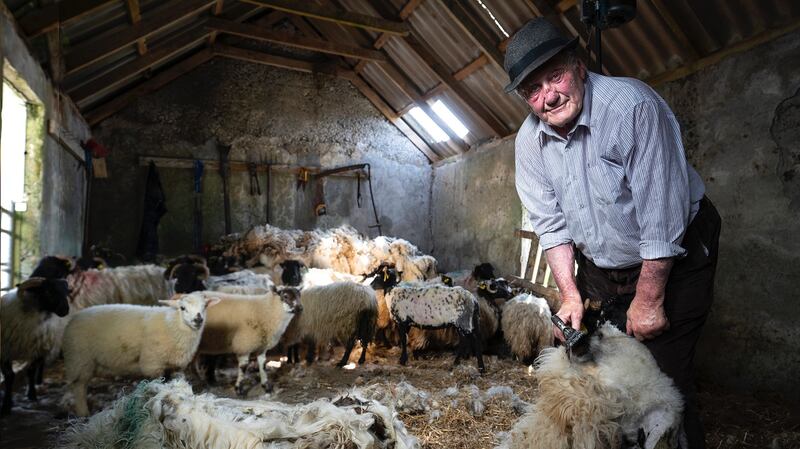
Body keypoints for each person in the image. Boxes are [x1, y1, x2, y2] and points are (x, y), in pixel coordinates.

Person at [504, 18, 721, 449]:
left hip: (674, 254)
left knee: (659, 384)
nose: (548, 96)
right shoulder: (529, 143)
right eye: (533, 90)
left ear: (579, 66)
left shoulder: (631, 107)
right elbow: (550, 225)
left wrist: (649, 299)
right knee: (594, 371)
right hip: (602, 263)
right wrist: (569, 294)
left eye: (555, 76)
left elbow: (662, 218)